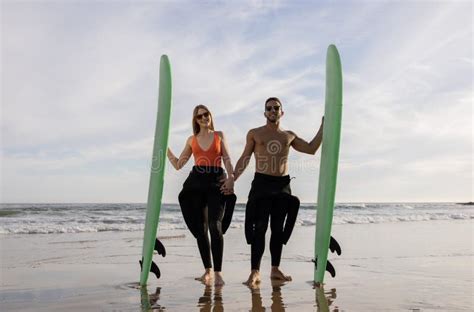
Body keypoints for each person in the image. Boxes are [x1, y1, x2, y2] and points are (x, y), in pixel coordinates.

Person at [230, 97, 324, 287]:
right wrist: (232, 179)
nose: (273, 110)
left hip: (282, 185)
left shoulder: (289, 136)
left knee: (278, 229)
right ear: (265, 112)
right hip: (262, 184)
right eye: (269, 108)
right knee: (260, 228)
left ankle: (275, 269)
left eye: (276, 108)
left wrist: (324, 126)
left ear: (282, 112)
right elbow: (245, 158)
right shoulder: (255, 134)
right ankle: (255, 272)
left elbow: (312, 149)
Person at [167, 104, 236, 286]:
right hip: (196, 183)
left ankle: (218, 273)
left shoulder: (219, 135)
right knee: (201, 228)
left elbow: (227, 159)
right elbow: (178, 164)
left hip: (216, 182)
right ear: (196, 120)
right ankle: (208, 271)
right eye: (200, 116)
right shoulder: (191, 140)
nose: (204, 118)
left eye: (206, 114)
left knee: (215, 225)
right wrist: (165, 149)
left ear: (210, 116)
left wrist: (231, 178)